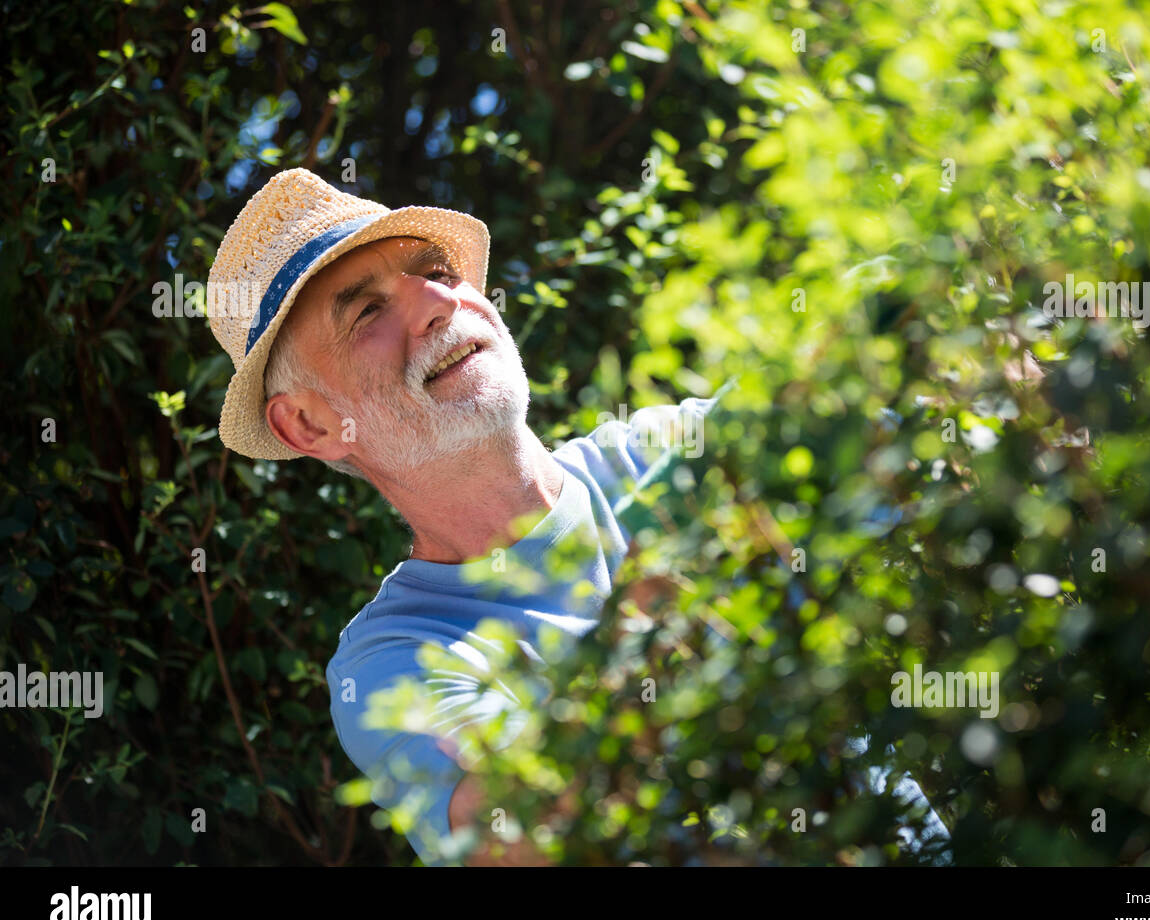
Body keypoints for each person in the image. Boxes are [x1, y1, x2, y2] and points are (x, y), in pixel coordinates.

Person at [206, 167, 950, 865]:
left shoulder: (666, 454)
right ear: (308, 424)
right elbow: (516, 846)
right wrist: (637, 656)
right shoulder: (394, 663)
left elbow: (852, 392)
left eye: (438, 274)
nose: (438, 303)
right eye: (368, 311)